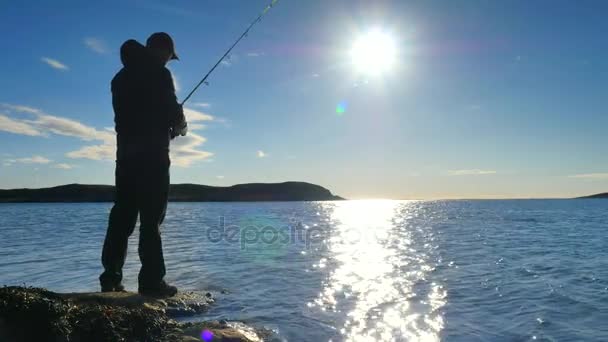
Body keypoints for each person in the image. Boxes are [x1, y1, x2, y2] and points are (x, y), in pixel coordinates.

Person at [99, 32, 187, 297]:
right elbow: (172, 111)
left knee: (121, 218)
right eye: (169, 57)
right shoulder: (159, 74)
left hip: (125, 157)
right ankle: (151, 282)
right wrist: (180, 127)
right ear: (161, 51)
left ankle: (110, 279)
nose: (168, 62)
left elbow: (134, 116)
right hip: (153, 157)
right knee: (151, 221)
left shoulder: (119, 78)